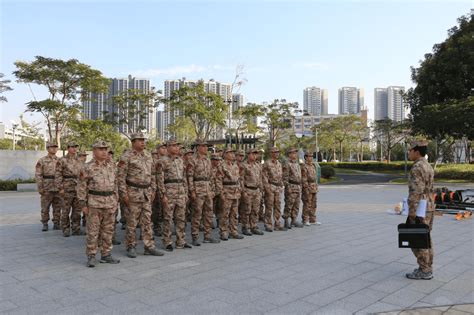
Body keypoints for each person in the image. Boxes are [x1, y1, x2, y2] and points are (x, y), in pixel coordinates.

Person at [118, 133, 164, 258]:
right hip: (133, 192)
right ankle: (131, 246)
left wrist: (153, 189)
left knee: (147, 221)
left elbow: (153, 174)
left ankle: (149, 246)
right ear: (133, 142)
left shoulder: (148, 155)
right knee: (132, 222)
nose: (143, 142)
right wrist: (123, 194)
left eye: (144, 140)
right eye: (140, 140)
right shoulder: (126, 156)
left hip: (146, 193)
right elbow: (121, 177)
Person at [77, 140, 120, 267]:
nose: (104, 151)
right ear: (94, 151)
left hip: (109, 202)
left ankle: (106, 254)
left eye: (105, 149)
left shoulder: (112, 165)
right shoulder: (87, 167)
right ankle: (91, 255)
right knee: (93, 231)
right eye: (101, 149)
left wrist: (116, 198)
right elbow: (81, 187)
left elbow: (116, 183)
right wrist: (83, 204)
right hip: (94, 203)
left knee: (108, 230)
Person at [405, 140, 435, 280]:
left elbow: (416, 191)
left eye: (410, 150)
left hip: (420, 208)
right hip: (429, 205)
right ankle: (427, 267)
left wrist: (412, 212)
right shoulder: (428, 165)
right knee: (426, 237)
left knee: (417, 239)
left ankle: (424, 270)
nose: (408, 153)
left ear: (416, 151)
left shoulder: (417, 167)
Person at [157, 138, 192, 251]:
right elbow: (159, 179)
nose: (176, 148)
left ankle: (181, 240)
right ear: (167, 147)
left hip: (180, 191)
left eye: (177, 146)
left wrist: (186, 192)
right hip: (169, 192)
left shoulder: (180, 160)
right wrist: (163, 195)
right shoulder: (162, 161)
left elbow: (184, 178)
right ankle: (167, 241)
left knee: (181, 218)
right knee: (168, 218)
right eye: (173, 145)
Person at [187, 139, 220, 245]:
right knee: (197, 214)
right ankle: (195, 236)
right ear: (198, 147)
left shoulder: (207, 160)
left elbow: (211, 177)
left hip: (208, 190)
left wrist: (213, 189)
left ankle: (207, 236)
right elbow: (190, 176)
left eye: (207, 146)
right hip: (198, 189)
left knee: (209, 213)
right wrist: (192, 191)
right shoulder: (192, 160)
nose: (206, 148)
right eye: (204, 146)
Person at [56, 142, 83, 237]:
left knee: (77, 210)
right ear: (68, 148)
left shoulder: (80, 160)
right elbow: (58, 175)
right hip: (67, 188)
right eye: (72, 147)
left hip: (78, 188)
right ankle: (65, 229)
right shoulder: (62, 160)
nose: (74, 149)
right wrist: (60, 188)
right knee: (65, 210)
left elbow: (82, 174)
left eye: (76, 147)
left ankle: (76, 228)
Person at [219, 146, 244, 240]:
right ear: (225, 154)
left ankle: (233, 231)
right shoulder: (221, 165)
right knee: (225, 213)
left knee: (234, 213)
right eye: (230, 153)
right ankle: (224, 232)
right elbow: (218, 180)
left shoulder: (235, 165)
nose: (233, 154)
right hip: (227, 191)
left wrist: (240, 189)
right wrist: (221, 192)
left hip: (235, 192)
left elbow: (239, 179)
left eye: (233, 153)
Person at [35, 141, 62, 231]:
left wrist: (62, 187)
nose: (54, 148)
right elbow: (38, 175)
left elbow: (63, 174)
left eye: (55, 147)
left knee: (57, 206)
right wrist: (40, 187)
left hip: (58, 187)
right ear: (47, 148)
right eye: (52, 147)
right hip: (47, 187)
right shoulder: (42, 160)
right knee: (45, 207)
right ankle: (45, 223)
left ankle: (57, 223)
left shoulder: (60, 160)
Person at [240, 148, 264, 236]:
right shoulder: (243, 165)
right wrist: (243, 192)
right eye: (253, 153)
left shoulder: (258, 165)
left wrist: (261, 190)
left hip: (257, 190)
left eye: (256, 154)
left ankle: (253, 226)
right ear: (248, 154)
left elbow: (260, 178)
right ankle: (245, 227)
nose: (255, 155)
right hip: (248, 189)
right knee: (247, 210)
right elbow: (241, 179)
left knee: (255, 210)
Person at [262, 147, 286, 232]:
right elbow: (264, 176)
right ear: (271, 153)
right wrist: (267, 187)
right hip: (270, 187)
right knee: (269, 206)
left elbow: (281, 176)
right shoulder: (267, 164)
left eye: (278, 152)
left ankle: (277, 223)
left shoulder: (279, 163)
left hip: (278, 188)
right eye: (275, 152)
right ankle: (268, 224)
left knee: (278, 206)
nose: (277, 154)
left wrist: (282, 185)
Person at [282, 147, 304, 228]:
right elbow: (285, 177)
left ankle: (293, 220)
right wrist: (288, 188)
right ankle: (286, 220)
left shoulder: (297, 163)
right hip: (291, 187)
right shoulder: (287, 164)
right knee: (289, 204)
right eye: (293, 153)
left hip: (298, 187)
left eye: (295, 153)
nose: (295, 154)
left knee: (296, 205)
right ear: (289, 154)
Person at [301, 151, 320, 226]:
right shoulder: (304, 166)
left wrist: (316, 186)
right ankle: (305, 220)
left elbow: (315, 178)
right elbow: (304, 179)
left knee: (314, 204)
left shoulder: (313, 166)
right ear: (305, 157)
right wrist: (305, 189)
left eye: (312, 156)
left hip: (314, 187)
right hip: (308, 187)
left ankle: (313, 219)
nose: (311, 158)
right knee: (307, 204)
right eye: (309, 156)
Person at [152, 143, 167, 236]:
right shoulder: (154, 161)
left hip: (167, 187)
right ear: (157, 149)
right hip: (156, 188)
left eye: (165, 148)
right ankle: (156, 227)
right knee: (156, 209)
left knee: (165, 209)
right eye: (162, 148)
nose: (164, 149)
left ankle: (164, 227)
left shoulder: (167, 160)